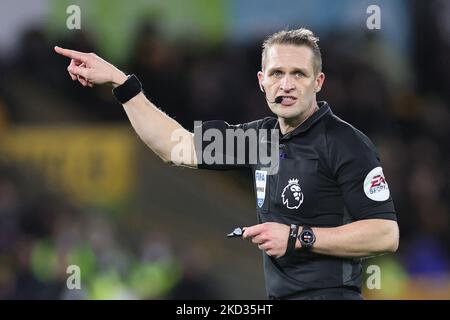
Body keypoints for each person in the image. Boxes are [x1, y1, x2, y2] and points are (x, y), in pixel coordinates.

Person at [54, 28, 399, 300]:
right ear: (262, 81)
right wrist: (122, 83)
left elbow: (385, 234)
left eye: (299, 74)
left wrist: (297, 236)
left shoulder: (345, 143)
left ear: (318, 82)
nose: (287, 84)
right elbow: (177, 147)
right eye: (277, 73)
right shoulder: (260, 140)